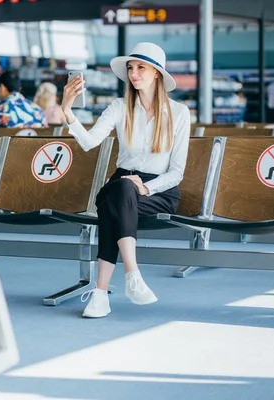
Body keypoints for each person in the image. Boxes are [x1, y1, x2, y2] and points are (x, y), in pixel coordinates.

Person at [62, 42, 190, 318]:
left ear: (156, 73)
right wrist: (68, 111)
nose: (134, 73)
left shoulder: (179, 113)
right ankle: (132, 276)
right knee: (119, 192)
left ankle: (100, 294)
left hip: (160, 190)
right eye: (131, 67)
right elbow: (89, 142)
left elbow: (177, 171)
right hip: (122, 186)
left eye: (141, 67)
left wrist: (145, 186)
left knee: (114, 202)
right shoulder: (120, 106)